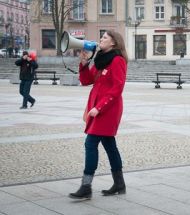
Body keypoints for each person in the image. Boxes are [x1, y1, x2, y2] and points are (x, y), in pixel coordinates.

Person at [69, 30, 128, 199]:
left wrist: (100, 107)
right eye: (101, 37)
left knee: (90, 143)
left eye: (104, 38)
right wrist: (84, 62)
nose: (101, 40)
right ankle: (119, 183)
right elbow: (86, 80)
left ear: (113, 43)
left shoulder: (117, 60)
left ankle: (86, 186)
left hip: (108, 110)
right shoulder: (102, 59)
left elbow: (117, 88)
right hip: (97, 108)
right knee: (110, 146)